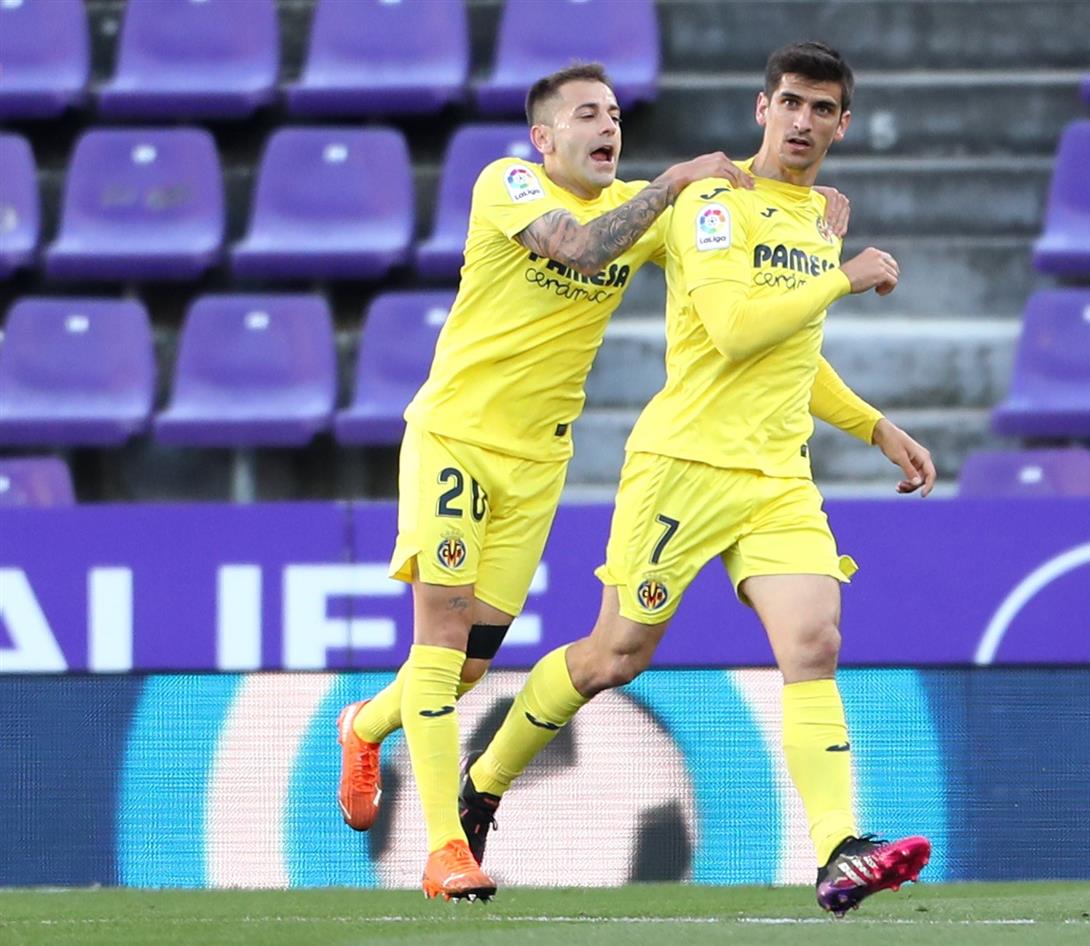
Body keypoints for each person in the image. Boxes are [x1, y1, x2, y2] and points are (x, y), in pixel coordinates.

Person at [333, 63, 851, 903]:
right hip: (455, 440)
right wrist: (677, 183)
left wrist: (806, 211)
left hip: (540, 462)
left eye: (614, 113)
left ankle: (362, 725)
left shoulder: (640, 208)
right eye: (586, 115)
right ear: (545, 138)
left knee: (467, 668)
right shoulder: (508, 183)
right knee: (439, 642)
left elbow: (744, 233)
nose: (608, 127)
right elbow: (577, 246)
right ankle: (442, 850)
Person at [456, 42, 936, 917]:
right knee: (614, 658)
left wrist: (873, 425)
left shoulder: (813, 219)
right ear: (762, 109)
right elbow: (733, 330)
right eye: (789, 102)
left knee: (815, 643)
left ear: (842, 124)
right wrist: (842, 275)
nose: (803, 121)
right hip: (682, 468)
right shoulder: (713, 202)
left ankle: (837, 851)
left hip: (776, 477)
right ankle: (482, 783)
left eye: (821, 109)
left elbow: (792, 357)